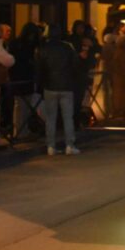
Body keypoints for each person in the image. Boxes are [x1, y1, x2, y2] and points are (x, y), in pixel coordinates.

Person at [36, 27, 80, 155]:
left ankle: (51, 146)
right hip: (66, 86)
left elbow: (40, 68)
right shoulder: (67, 48)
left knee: (50, 118)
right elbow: (75, 65)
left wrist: (41, 84)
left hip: (50, 86)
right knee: (68, 117)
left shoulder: (43, 49)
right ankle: (69, 145)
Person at [8, 22, 41, 140]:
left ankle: (22, 130)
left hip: (21, 78)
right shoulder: (26, 46)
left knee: (23, 106)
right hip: (22, 78)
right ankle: (20, 132)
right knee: (21, 106)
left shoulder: (16, 44)